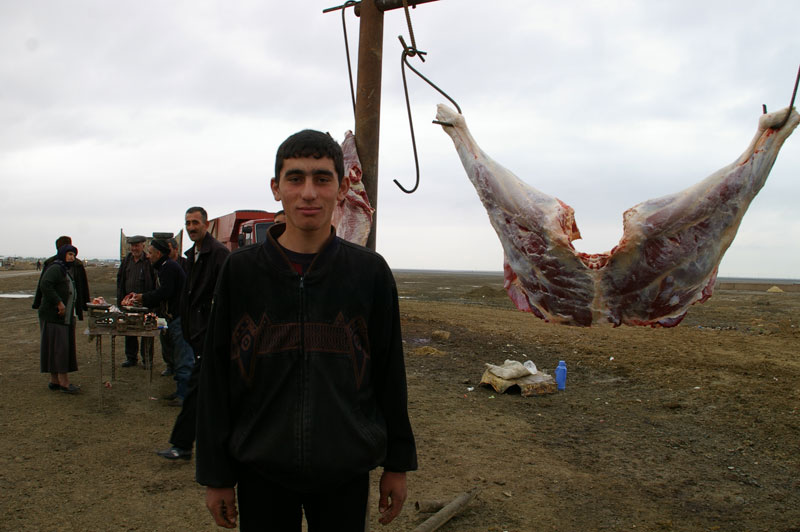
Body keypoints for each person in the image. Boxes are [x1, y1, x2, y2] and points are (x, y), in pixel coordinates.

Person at [196, 130, 417, 530]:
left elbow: (389, 373)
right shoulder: (241, 272)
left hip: (345, 470)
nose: (309, 193)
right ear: (276, 188)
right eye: (295, 179)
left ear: (343, 186)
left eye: (322, 178)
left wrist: (397, 464)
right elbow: (215, 376)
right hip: (261, 469)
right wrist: (216, 474)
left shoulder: (369, 273)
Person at [157, 206, 229, 460]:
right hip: (197, 336)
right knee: (201, 394)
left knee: (197, 392)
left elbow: (224, 299)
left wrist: (209, 334)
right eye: (187, 223)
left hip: (210, 338)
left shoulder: (218, 255)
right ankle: (185, 444)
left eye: (195, 222)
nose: (190, 227)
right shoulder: (194, 254)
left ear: (206, 224)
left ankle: (183, 444)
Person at [128, 239, 193, 405]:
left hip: (179, 317)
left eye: (150, 253)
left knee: (183, 356)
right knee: (177, 354)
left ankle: (185, 395)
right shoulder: (164, 267)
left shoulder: (168, 267)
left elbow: (165, 292)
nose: (148, 256)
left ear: (158, 254)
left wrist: (144, 298)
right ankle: (180, 391)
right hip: (173, 317)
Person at [37, 244, 82, 394]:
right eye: (69, 254)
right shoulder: (56, 268)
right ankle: (64, 383)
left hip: (62, 318)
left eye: (73, 255)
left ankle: (54, 380)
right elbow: (45, 284)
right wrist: (59, 302)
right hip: (55, 317)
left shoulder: (64, 269)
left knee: (55, 349)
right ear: (62, 255)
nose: (72, 257)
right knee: (60, 349)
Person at [117, 235, 155, 367]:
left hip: (145, 302)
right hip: (129, 303)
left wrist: (150, 300)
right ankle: (131, 358)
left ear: (143, 246)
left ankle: (147, 360)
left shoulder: (148, 261)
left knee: (147, 331)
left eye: (137, 245)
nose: (134, 248)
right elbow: (120, 280)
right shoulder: (127, 260)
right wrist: (121, 299)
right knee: (129, 330)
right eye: (132, 246)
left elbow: (154, 282)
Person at [33, 235, 91, 316]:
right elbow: (44, 284)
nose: (72, 257)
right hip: (54, 306)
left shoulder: (76, 264)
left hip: (69, 304)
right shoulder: (54, 265)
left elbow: (82, 285)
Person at [159, 237, 192, 377]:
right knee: (165, 340)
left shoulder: (185, 264)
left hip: (179, 312)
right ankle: (170, 365)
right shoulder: (163, 265)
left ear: (176, 249)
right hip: (165, 312)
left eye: (169, 249)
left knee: (181, 346)